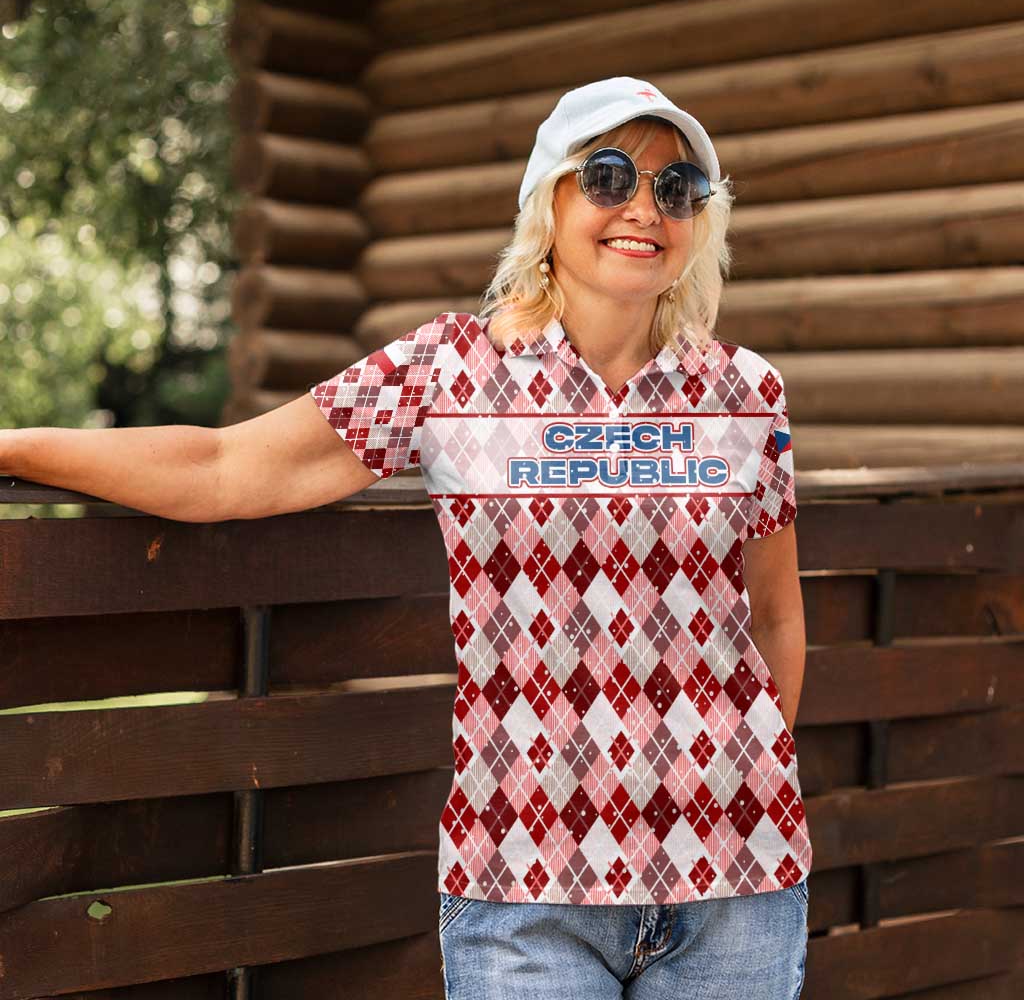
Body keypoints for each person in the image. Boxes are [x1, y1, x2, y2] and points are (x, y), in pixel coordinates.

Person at [0, 75, 810, 999]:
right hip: (523, 893)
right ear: (549, 198)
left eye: (676, 190)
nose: (643, 210)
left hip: (736, 890)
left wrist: (732, 787)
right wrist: (17, 446)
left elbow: (777, 617)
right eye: (612, 177)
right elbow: (222, 468)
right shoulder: (447, 371)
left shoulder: (747, 393)